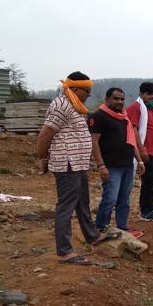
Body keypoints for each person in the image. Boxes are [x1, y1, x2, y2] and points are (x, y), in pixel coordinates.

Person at [36, 71, 96, 265]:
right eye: (86, 91)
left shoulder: (74, 105)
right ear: (75, 89)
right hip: (67, 163)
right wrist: (42, 158)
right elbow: (45, 134)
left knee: (82, 201)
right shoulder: (62, 105)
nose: (89, 94)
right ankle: (64, 251)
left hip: (78, 163)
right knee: (67, 205)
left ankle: (92, 235)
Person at [88, 87, 145, 238]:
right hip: (111, 167)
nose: (119, 101)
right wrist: (101, 165)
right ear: (107, 99)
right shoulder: (98, 116)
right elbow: (94, 142)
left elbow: (131, 142)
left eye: (122, 99)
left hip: (127, 165)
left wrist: (139, 161)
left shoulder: (124, 117)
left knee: (124, 199)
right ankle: (100, 229)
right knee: (110, 198)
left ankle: (122, 228)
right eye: (116, 98)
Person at [126, 82, 153, 221]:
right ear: (141, 94)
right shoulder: (136, 108)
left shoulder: (151, 110)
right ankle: (146, 210)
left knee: (152, 181)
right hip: (147, 152)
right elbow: (132, 128)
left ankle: (150, 207)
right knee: (148, 181)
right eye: (149, 94)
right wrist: (141, 149)